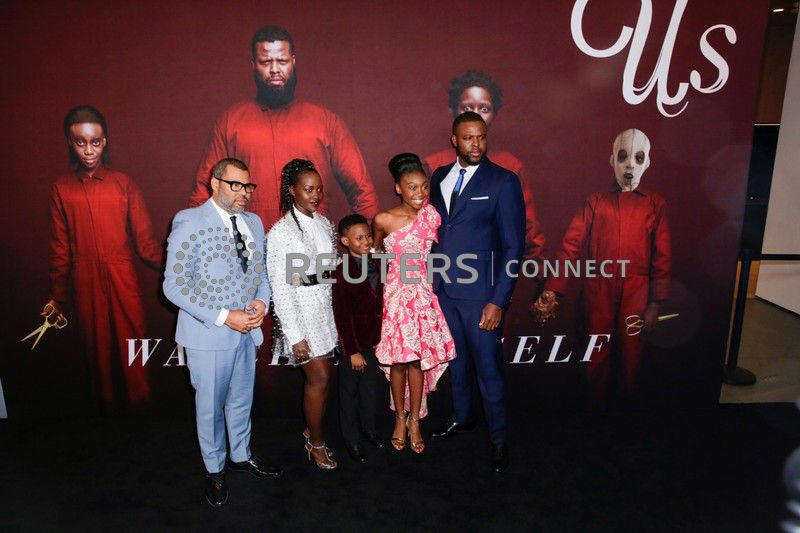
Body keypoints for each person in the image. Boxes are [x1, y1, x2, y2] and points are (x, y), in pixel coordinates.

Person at [163, 157, 281, 509]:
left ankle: (241, 455)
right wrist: (224, 316)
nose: (245, 193)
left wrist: (261, 301)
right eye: (236, 185)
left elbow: (261, 273)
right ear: (214, 183)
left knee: (241, 400)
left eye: (248, 186)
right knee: (210, 407)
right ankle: (215, 469)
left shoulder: (254, 222)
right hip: (208, 334)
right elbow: (174, 286)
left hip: (247, 332)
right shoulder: (189, 221)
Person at [533, 129, 671, 408]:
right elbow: (571, 245)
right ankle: (593, 412)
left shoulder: (655, 204)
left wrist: (656, 302)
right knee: (594, 350)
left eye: (638, 158)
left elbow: (663, 255)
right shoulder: (596, 201)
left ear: (647, 163)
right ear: (612, 160)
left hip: (637, 290)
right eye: (623, 156)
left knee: (633, 353)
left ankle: (625, 413)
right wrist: (553, 289)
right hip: (599, 288)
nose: (630, 165)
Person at [190, 25, 379, 227]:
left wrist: (369, 241)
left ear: (293, 61)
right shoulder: (230, 122)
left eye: (282, 61)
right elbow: (205, 191)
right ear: (253, 65)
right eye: (265, 62)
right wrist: (197, 236)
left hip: (311, 240)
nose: (274, 69)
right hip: (250, 239)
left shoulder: (325, 121)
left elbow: (362, 190)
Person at [44, 105, 162, 413]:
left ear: (105, 141)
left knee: (134, 345)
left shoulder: (123, 183)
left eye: (95, 142)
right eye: (80, 142)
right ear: (70, 143)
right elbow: (60, 249)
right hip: (85, 280)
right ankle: (104, 419)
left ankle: (143, 414)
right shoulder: (61, 189)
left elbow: (147, 245)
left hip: (122, 276)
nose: (88, 150)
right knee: (96, 353)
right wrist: (56, 296)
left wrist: (181, 266)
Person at [428, 112, 525, 473]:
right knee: (456, 362)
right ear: (454, 140)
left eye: (481, 137)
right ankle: (463, 417)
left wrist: (498, 300)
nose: (476, 144)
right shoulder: (439, 177)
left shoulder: (503, 181)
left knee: (487, 368)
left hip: (481, 295)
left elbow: (514, 248)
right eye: (468, 138)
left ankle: (498, 440)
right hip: (443, 291)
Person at [373, 153, 456, 454]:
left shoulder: (431, 216)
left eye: (423, 187)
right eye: (411, 187)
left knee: (417, 361)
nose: (419, 193)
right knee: (398, 361)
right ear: (398, 188)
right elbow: (374, 254)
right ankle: (399, 418)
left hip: (422, 295)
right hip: (395, 296)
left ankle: (416, 421)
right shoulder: (382, 219)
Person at [423, 70, 545, 260]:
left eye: (484, 109)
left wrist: (534, 270)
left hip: (487, 269)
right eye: (467, 108)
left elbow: (526, 229)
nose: (476, 114)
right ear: (454, 110)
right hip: (441, 269)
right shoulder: (434, 167)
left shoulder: (510, 167)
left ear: (494, 114)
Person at [266, 158, 339, 470]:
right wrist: (295, 336)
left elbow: (329, 270)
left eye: (319, 189)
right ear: (292, 191)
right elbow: (281, 289)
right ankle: (316, 443)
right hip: (300, 316)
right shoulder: (281, 232)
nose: (315, 195)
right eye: (308, 189)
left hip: (325, 313)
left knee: (325, 379)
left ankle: (312, 430)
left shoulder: (324, 223)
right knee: (318, 378)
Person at [331, 213, 385, 463]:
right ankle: (351, 440)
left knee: (370, 391)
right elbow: (341, 316)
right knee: (349, 394)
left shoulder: (379, 263)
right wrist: (352, 351)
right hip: (352, 345)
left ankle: (369, 430)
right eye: (359, 238)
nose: (366, 241)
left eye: (368, 236)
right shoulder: (342, 271)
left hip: (374, 342)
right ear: (345, 241)